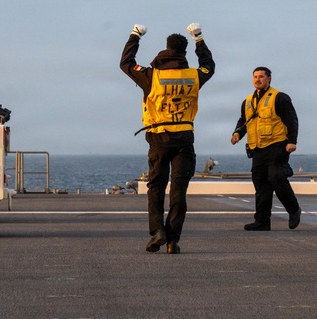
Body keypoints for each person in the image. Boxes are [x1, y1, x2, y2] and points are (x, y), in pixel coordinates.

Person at [121, 23, 215, 254]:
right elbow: (208, 66)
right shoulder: (194, 76)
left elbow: (126, 63)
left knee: (156, 188)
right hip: (184, 140)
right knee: (178, 192)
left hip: (158, 139)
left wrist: (135, 35)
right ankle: (173, 240)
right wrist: (199, 39)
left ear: (166, 48)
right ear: (184, 52)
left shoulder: (151, 75)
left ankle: (158, 232)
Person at [231, 67, 302, 231]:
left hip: (277, 144)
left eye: (261, 76)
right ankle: (262, 221)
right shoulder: (248, 101)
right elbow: (244, 120)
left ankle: (294, 210)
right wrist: (237, 134)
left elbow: (292, 120)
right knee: (261, 184)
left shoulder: (280, 97)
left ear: (269, 78)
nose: (257, 79)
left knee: (276, 177)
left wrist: (292, 141)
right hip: (257, 148)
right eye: (255, 77)